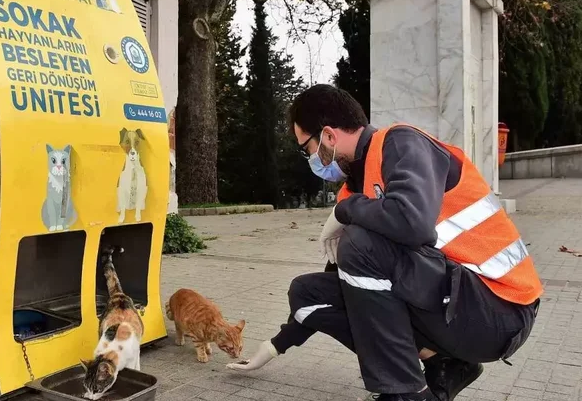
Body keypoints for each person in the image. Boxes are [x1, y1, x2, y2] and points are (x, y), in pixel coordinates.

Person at [225, 84, 542, 401]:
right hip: (454, 302)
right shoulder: (355, 186)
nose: (309, 158)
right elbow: (345, 281)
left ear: (329, 136)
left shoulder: (402, 143)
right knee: (307, 291)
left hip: (501, 311)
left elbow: (413, 225)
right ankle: (444, 364)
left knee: (358, 244)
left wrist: (344, 212)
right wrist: (275, 345)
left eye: (305, 147)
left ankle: (405, 393)